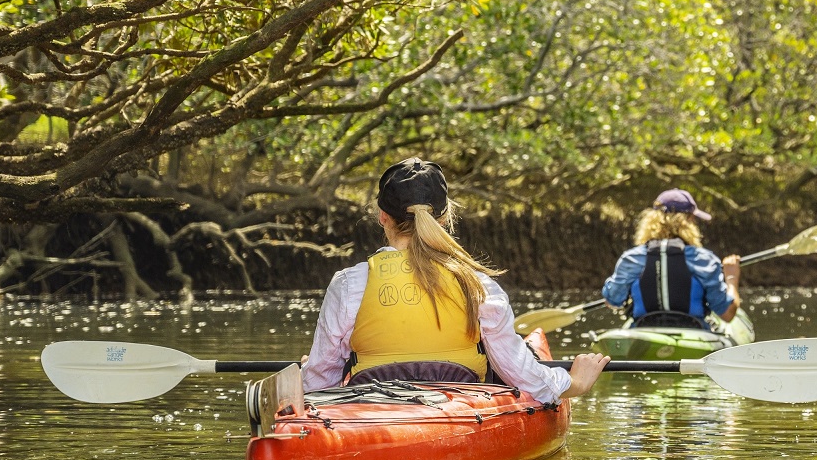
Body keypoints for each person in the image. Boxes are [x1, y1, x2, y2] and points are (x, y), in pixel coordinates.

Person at [305, 157, 608, 404]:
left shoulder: (348, 283)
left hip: (373, 404)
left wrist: (309, 372)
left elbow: (320, 381)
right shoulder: (476, 283)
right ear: (444, 217)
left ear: (383, 216)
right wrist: (574, 382)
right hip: (463, 405)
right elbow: (517, 372)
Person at [601, 189, 742, 329]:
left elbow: (613, 301)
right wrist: (731, 278)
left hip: (642, 331)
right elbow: (727, 314)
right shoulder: (704, 260)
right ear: (688, 221)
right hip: (693, 332)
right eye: (694, 219)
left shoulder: (631, 258)